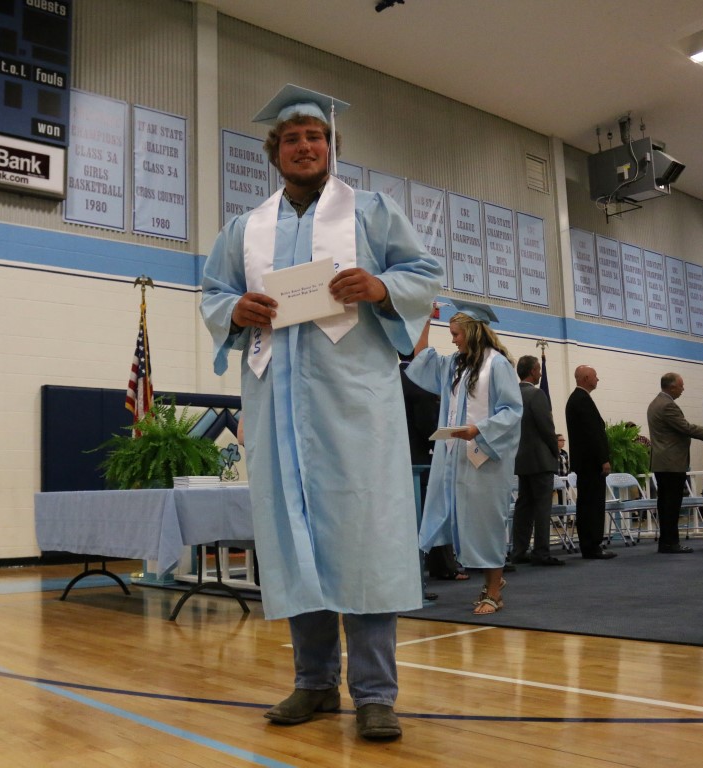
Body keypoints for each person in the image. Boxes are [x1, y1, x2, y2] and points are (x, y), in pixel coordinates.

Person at [199, 84, 442, 741]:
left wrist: (382, 285)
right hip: (276, 406)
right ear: (274, 152)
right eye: (291, 138)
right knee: (294, 542)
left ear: (332, 146)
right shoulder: (244, 229)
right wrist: (234, 309)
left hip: (354, 404)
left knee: (364, 542)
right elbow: (214, 292)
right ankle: (313, 683)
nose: (304, 146)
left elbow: (424, 270)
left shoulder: (372, 211)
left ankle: (375, 694)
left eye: (314, 136)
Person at [406, 301, 523, 616]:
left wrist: (478, 430)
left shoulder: (497, 365)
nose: (453, 339)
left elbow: (512, 411)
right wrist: (425, 318)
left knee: (487, 523)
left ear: (472, 332)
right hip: (454, 457)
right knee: (459, 519)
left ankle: (494, 591)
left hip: (485, 457)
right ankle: (491, 582)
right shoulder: (455, 366)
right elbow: (422, 358)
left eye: (456, 334)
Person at [399, 352, 462, 594]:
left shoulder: (393, 377)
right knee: (431, 510)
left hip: (397, 456)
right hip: (420, 457)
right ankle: (439, 568)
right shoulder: (419, 382)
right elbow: (426, 424)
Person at [647, 373, 703, 554]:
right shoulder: (668, 405)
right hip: (671, 463)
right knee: (671, 505)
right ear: (672, 387)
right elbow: (686, 427)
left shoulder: (655, 403)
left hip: (662, 463)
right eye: (681, 386)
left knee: (665, 504)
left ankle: (666, 542)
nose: (683, 389)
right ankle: (671, 543)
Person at [508, 354, 563, 566]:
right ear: (532, 371)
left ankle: (519, 550)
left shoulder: (512, 394)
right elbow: (547, 428)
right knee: (542, 507)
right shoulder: (537, 394)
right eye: (539, 369)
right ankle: (541, 552)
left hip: (521, 460)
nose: (540, 373)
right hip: (540, 460)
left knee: (523, 507)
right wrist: (555, 451)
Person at [565, 365, 617, 559]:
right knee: (592, 505)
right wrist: (603, 459)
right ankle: (592, 545)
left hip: (585, 463)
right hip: (590, 463)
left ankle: (590, 544)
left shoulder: (578, 399)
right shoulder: (581, 400)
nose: (598, 379)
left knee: (588, 504)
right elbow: (592, 433)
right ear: (586, 378)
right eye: (595, 376)